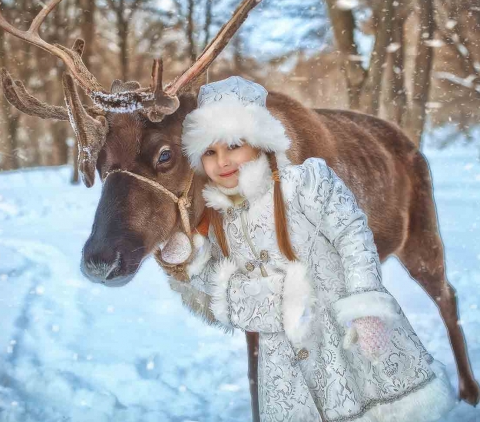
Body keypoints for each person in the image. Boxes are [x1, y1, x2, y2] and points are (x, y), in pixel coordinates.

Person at [157, 76, 456, 422]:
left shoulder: (306, 182)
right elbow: (225, 288)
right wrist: (188, 264)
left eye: (234, 145)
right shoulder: (223, 218)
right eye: (209, 152)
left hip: (347, 335)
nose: (222, 161)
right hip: (286, 363)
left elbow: (352, 234)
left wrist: (364, 302)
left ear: (260, 143)